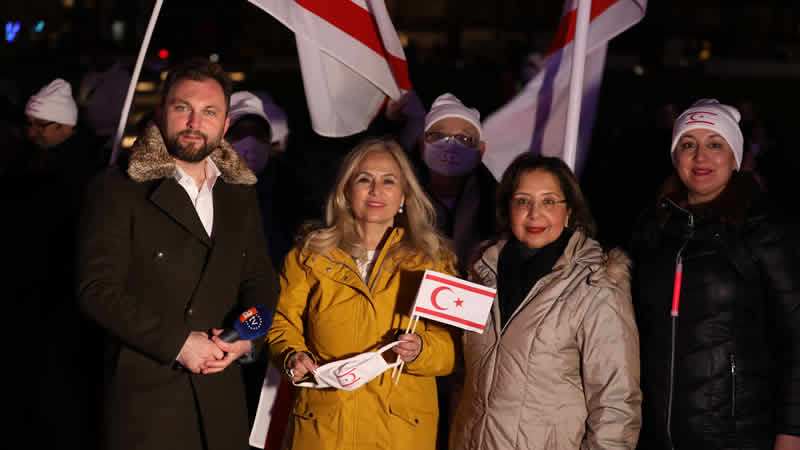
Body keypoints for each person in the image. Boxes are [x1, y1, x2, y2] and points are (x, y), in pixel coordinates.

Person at [76, 58, 280, 450]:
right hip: (147, 402)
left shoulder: (239, 193)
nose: (193, 122)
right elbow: (96, 289)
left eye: (208, 112)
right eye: (182, 108)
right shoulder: (118, 188)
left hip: (221, 402)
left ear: (224, 126)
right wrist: (179, 343)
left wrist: (244, 338)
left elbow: (260, 281)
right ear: (161, 113)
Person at [266, 137, 459, 450]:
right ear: (345, 191)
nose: (376, 190)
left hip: (400, 432)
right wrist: (291, 355)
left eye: (388, 181)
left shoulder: (434, 260)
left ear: (403, 196)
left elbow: (456, 346)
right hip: (324, 429)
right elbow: (280, 321)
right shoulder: (308, 255)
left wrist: (422, 350)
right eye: (364, 179)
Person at [630, 99, 800, 449]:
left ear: (734, 157)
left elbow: (796, 336)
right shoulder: (654, 230)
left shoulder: (763, 229)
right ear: (675, 155)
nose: (700, 157)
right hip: (655, 435)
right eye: (688, 144)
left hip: (737, 435)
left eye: (715, 144)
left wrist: (793, 430)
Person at [450, 153, 642, 449]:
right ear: (508, 208)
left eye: (549, 202)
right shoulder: (480, 272)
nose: (535, 213)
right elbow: (465, 376)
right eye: (523, 201)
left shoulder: (596, 284)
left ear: (568, 212)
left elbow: (615, 401)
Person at [419, 93, 497, 274]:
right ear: (422, 147)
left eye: (464, 139)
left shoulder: (499, 205)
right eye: (439, 136)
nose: (450, 146)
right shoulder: (397, 199)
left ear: (480, 152)